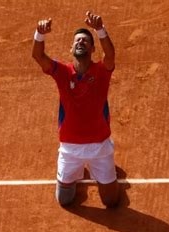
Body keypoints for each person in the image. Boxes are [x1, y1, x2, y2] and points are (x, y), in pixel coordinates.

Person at [32, 11, 119, 208]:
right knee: (64, 200)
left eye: (85, 41)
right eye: (77, 40)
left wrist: (100, 29)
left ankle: (104, 173)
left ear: (92, 48)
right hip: (70, 149)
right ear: (71, 48)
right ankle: (82, 173)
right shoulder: (61, 72)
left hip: (100, 146)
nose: (81, 42)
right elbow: (38, 55)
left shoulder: (101, 72)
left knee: (112, 202)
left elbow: (111, 55)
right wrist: (40, 34)